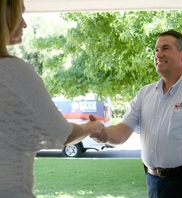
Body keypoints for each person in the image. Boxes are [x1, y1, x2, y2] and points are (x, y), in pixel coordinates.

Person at [0, 0, 104, 197]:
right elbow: (63, 134)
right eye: (20, 14)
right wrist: (93, 127)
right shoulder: (14, 71)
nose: (24, 24)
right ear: (4, 15)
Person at [90, 30, 182, 198]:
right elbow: (121, 132)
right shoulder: (145, 94)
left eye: (166, 48)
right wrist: (104, 134)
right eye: (156, 50)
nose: (159, 54)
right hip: (153, 183)